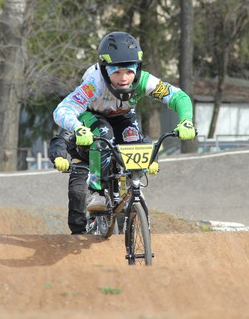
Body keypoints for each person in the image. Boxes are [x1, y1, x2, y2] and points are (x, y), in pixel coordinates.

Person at [51, 31, 196, 234]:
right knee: (104, 134)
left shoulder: (144, 81)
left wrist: (186, 121)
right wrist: (78, 128)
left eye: (129, 72)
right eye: (116, 72)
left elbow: (178, 97)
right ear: (104, 71)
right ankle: (97, 191)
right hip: (92, 116)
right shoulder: (94, 83)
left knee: (134, 140)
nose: (124, 79)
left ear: (137, 69)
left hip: (124, 116)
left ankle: (132, 185)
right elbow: (62, 110)